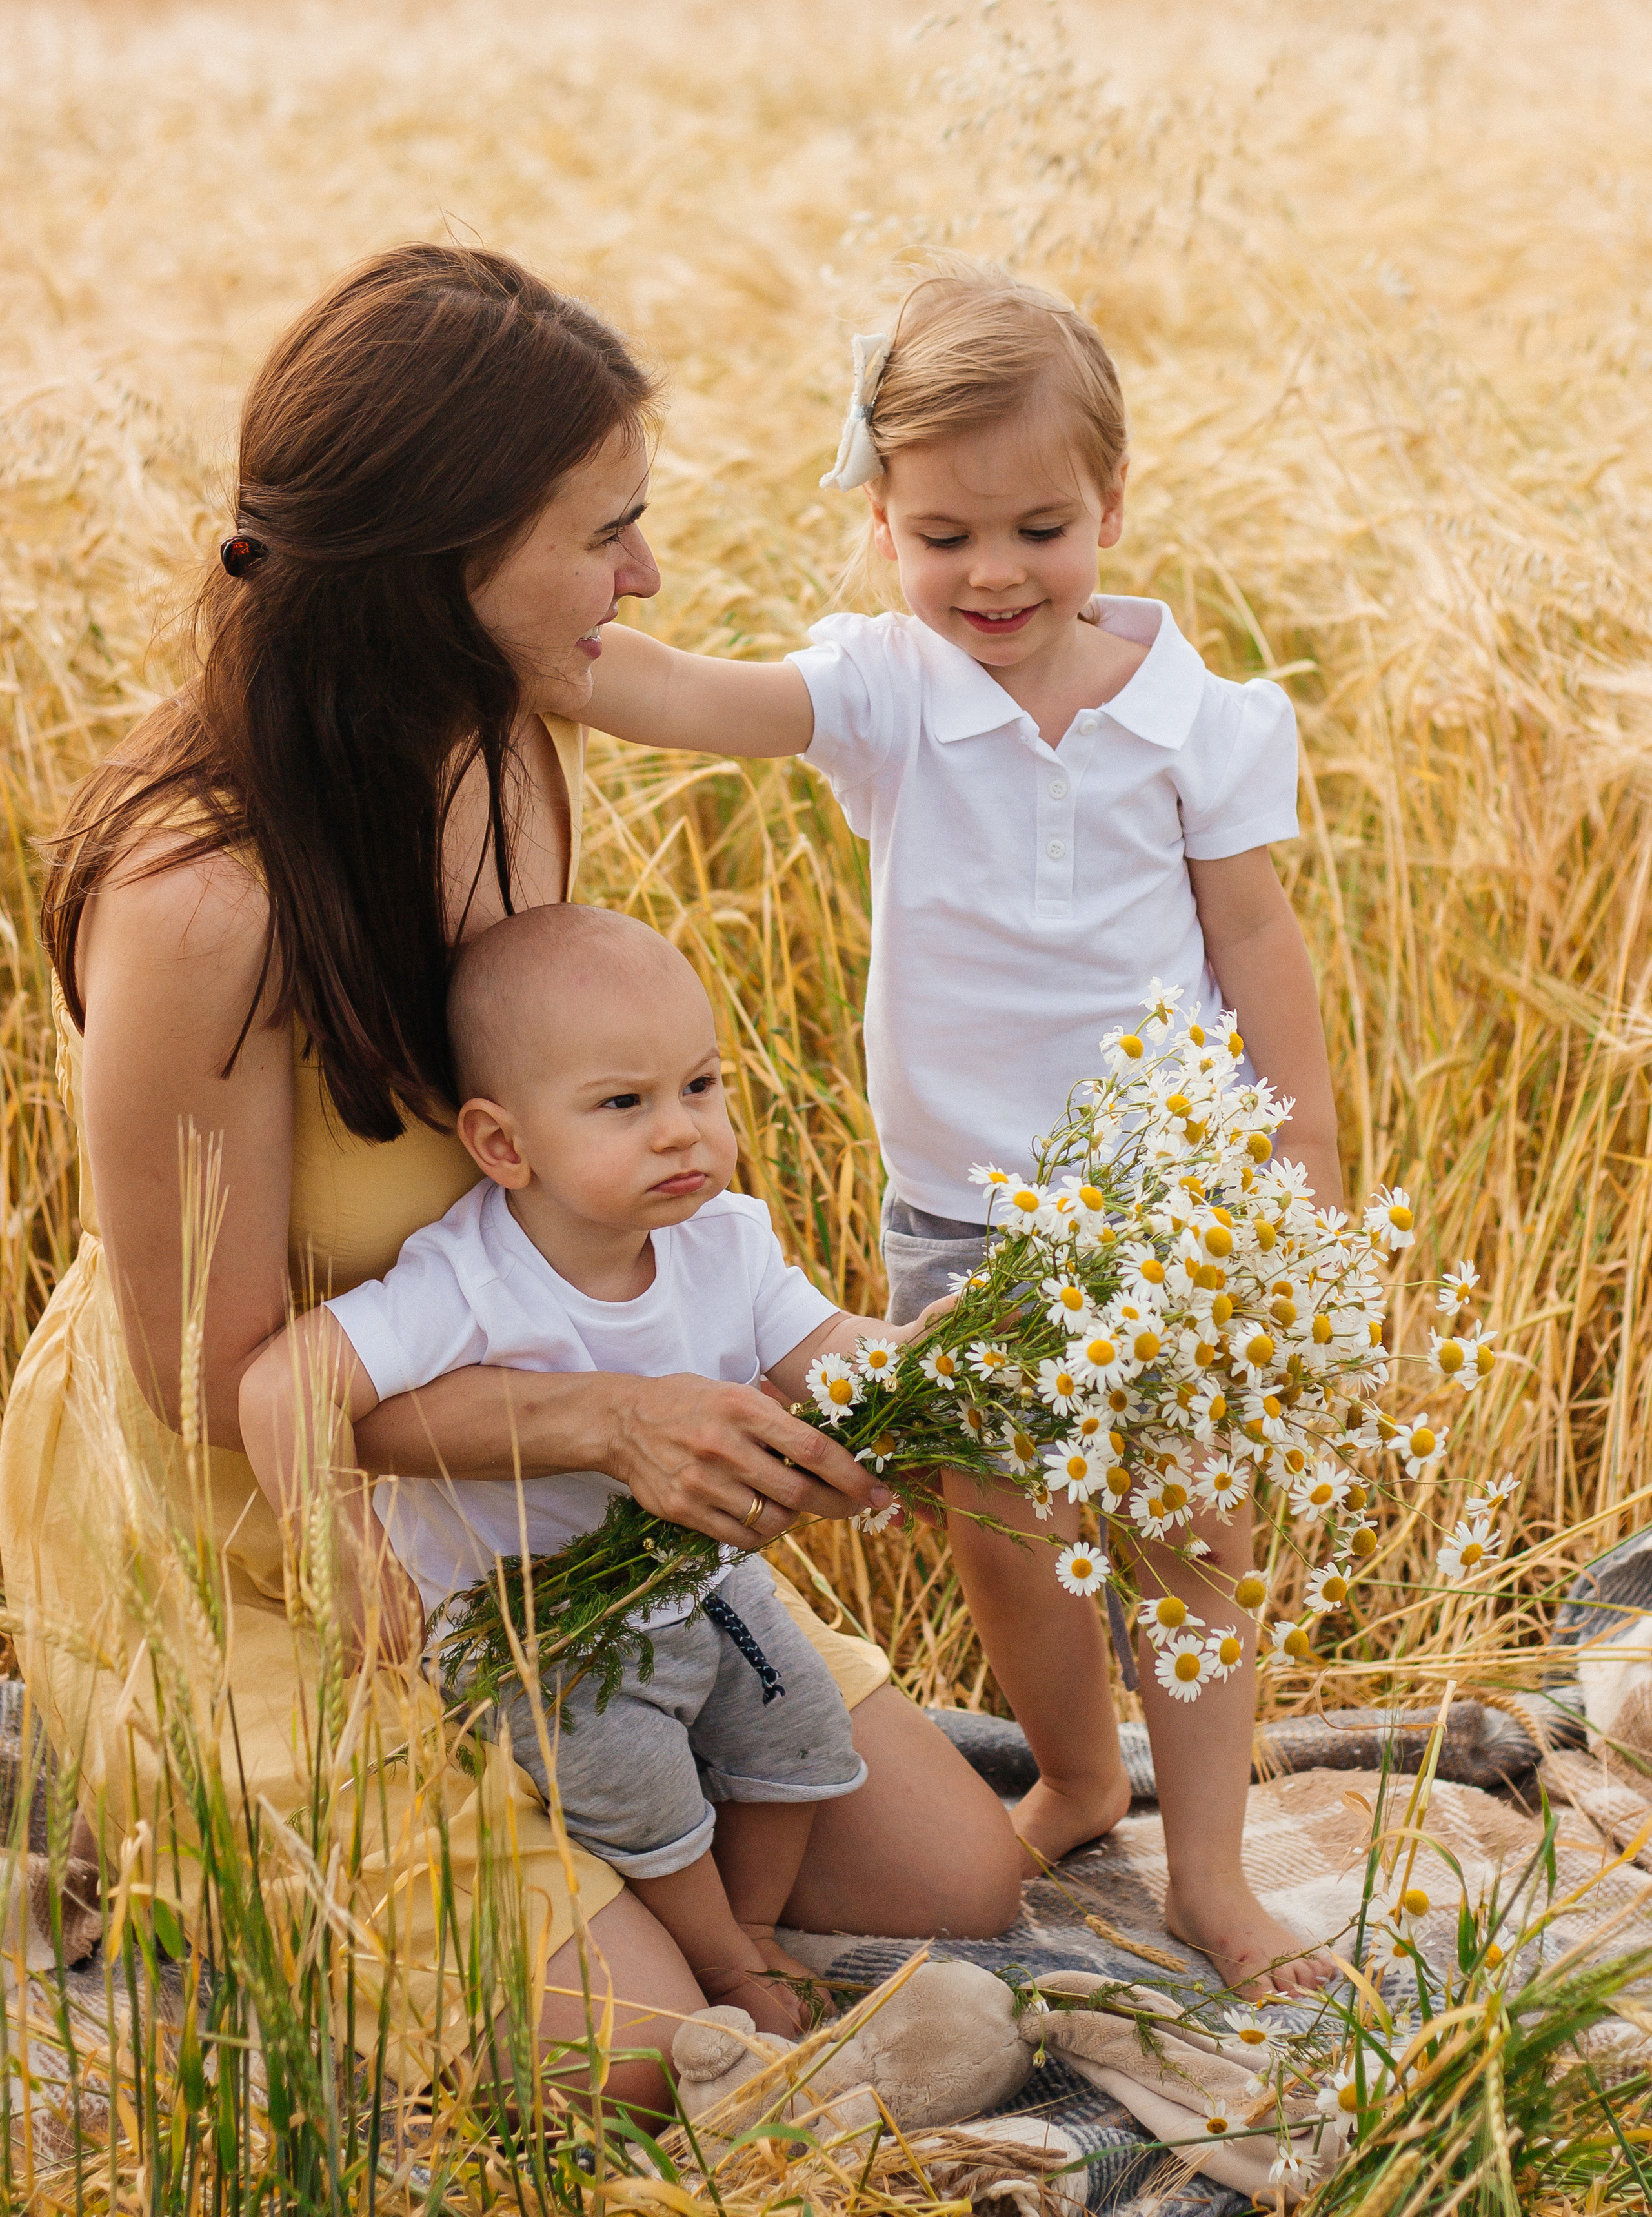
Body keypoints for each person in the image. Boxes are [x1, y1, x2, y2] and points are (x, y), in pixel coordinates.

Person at [0, 244, 1023, 2118]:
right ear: (434, 566)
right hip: (262, 1516)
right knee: (632, 2062)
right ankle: (191, 1796)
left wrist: (845, 1381)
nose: (646, 578)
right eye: (605, 533)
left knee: (968, 1880)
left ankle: (588, 1798)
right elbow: (201, 1393)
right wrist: (610, 1424)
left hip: (517, 1449)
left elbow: (570, 1173)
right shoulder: (198, 906)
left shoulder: (511, 732)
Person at [574, 259, 1344, 1996]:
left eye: (1039, 529)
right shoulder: (886, 690)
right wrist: (500, 623)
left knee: (1189, 1543)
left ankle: (1209, 1873)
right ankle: (1074, 1776)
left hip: (1179, 1217)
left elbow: (1256, 938)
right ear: (879, 526)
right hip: (966, 1217)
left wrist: (1302, 1170)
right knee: (1004, 1535)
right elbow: (687, 695)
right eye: (942, 536)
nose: (992, 575)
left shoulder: (1191, 717)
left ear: (1114, 509)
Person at [241, 903, 942, 2041]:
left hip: (695, 1579)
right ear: (505, 1144)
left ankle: (747, 1926)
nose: (684, 1134)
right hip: (534, 1620)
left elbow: (821, 1356)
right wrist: (343, 1551)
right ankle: (722, 1962)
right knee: (630, 1773)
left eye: (702, 1087)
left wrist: (918, 1359)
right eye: (626, 1104)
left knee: (805, 1726)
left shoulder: (729, 1241)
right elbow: (282, 1385)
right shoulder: (465, 1283)